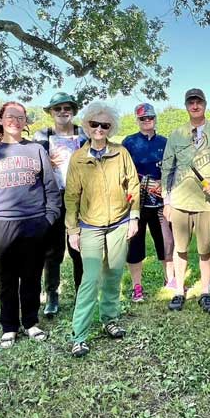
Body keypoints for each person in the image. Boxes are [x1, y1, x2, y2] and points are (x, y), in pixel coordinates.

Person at [0, 102, 60, 349]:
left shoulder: (36, 150)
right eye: (10, 116)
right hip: (1, 225)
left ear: (26, 122)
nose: (15, 121)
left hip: (34, 223)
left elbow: (51, 188)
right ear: (1, 119)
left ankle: (30, 322)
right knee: (6, 280)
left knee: (31, 276)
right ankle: (8, 327)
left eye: (21, 117)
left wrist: (48, 218)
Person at [65, 102, 140, 357]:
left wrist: (135, 217)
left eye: (104, 125)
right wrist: (72, 229)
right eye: (94, 124)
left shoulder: (121, 153)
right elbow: (72, 196)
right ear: (86, 126)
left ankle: (110, 319)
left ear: (111, 128)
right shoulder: (78, 158)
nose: (99, 129)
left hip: (119, 223)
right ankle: (80, 334)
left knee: (114, 272)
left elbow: (134, 186)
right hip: (90, 227)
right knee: (91, 277)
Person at [162, 88, 210, 314]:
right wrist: (167, 201)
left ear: (205, 104)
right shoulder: (176, 135)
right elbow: (167, 170)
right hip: (181, 202)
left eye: (198, 102)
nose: (195, 106)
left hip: (208, 204)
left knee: (206, 249)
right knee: (180, 249)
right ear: (186, 106)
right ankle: (179, 291)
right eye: (190, 102)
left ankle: (204, 292)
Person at [34, 92, 87, 318]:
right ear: (51, 112)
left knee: (79, 248)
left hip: (79, 198)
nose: (63, 112)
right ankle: (52, 295)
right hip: (53, 197)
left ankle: (81, 294)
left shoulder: (83, 134)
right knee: (52, 251)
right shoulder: (42, 136)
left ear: (73, 111)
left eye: (67, 108)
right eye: (57, 108)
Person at [122, 103, 174, 301]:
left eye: (150, 117)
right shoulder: (129, 142)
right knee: (135, 244)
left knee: (166, 242)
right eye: (142, 118)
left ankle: (170, 280)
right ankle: (137, 287)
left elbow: (173, 169)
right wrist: (140, 181)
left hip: (161, 202)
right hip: (137, 202)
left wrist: (164, 183)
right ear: (137, 120)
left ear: (155, 119)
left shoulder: (165, 142)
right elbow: (123, 171)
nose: (146, 121)